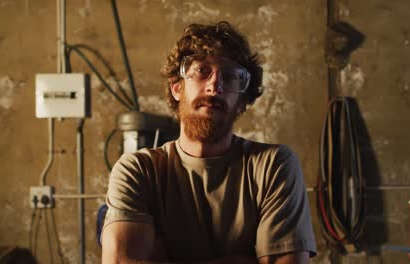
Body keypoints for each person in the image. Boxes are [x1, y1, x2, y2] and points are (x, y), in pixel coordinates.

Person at [101, 21, 317, 264]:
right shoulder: (138, 170)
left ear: (243, 100)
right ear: (176, 88)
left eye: (230, 76)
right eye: (202, 71)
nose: (215, 86)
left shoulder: (272, 166)